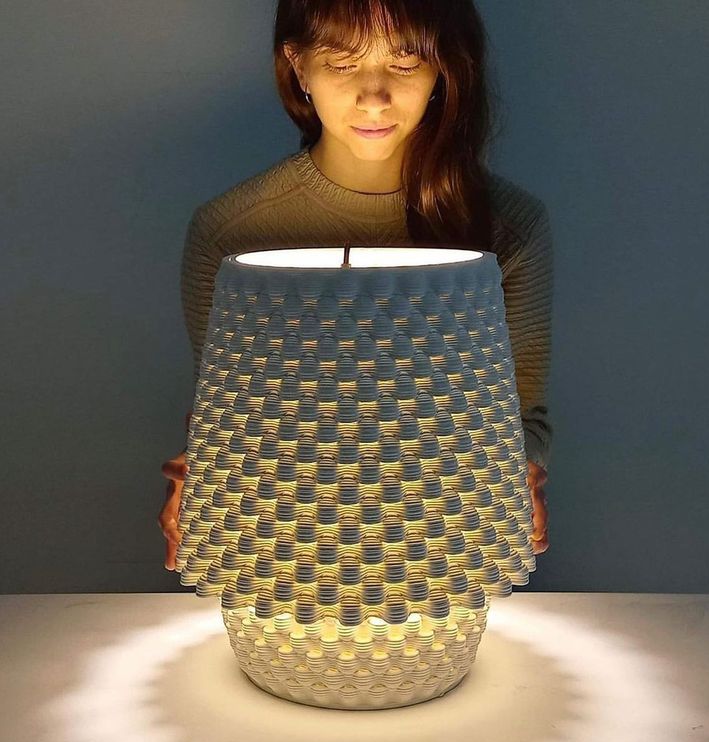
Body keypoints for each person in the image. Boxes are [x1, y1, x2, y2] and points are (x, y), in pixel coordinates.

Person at [158, 0, 553, 572]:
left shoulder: (508, 228)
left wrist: (514, 474)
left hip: (437, 555)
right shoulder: (232, 230)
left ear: (444, 66)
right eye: (343, 65)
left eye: (405, 62)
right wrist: (202, 478)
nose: (374, 97)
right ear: (298, 65)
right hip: (284, 555)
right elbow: (223, 416)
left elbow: (523, 417)